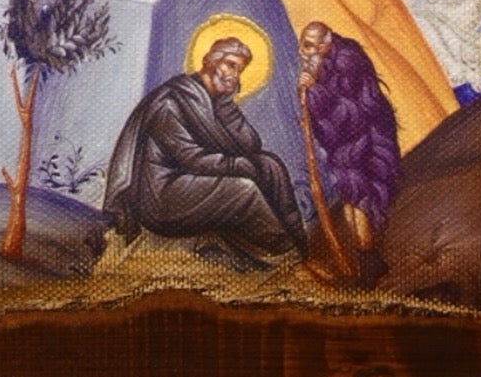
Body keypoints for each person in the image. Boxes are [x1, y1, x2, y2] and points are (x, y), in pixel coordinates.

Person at [102, 38, 307, 266]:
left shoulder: (214, 102)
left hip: (194, 181)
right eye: (230, 65)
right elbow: (191, 158)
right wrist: (240, 165)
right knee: (243, 190)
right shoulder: (170, 102)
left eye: (239, 70)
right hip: (164, 196)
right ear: (209, 61)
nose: (234, 75)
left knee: (270, 165)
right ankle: (285, 253)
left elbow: (250, 146)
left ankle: (300, 242)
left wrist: (227, 106)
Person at [297, 21, 400, 278]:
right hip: (343, 142)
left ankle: (368, 257)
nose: (302, 53)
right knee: (349, 194)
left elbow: (348, 110)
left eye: (308, 46)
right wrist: (309, 93)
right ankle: (363, 257)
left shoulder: (347, 61)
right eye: (302, 45)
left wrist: (314, 90)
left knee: (360, 195)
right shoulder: (322, 63)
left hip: (366, 138)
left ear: (325, 45)